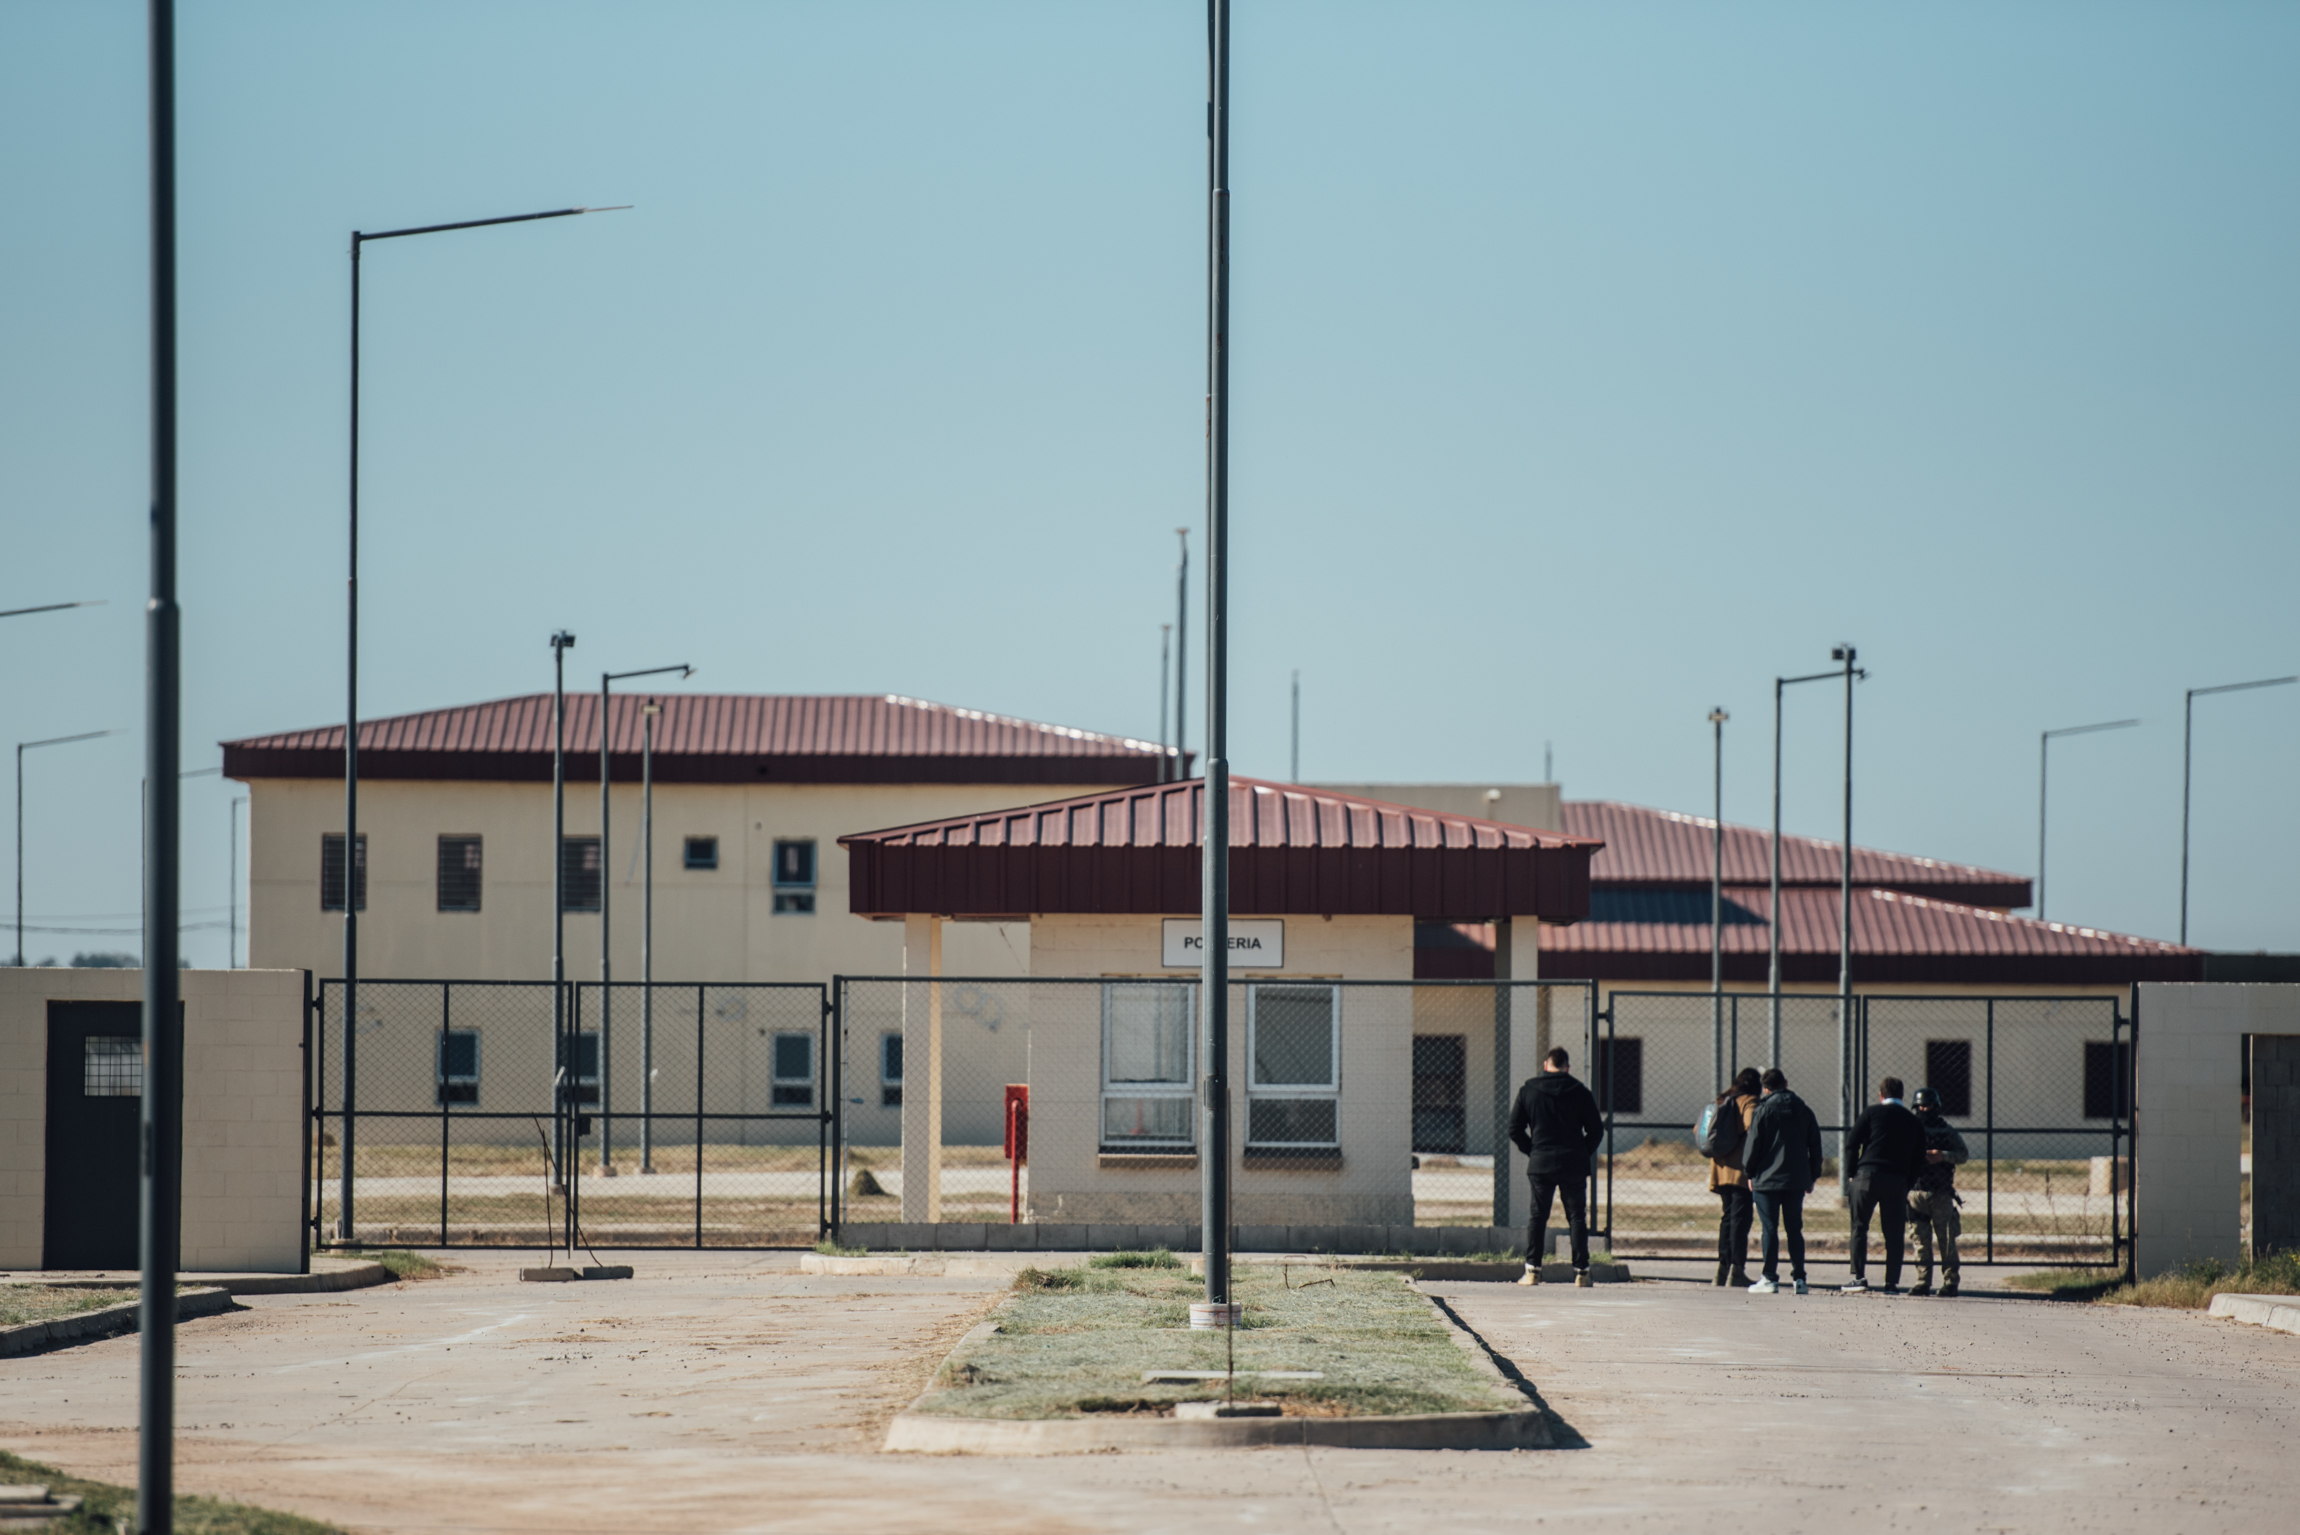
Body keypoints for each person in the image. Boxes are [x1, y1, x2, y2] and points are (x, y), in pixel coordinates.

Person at [1508, 1045, 1606, 1287]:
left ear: (1546, 1065)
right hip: (1573, 1162)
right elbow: (1596, 1129)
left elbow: (1514, 1129)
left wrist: (1534, 1150)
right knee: (1576, 1218)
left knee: (1538, 1216)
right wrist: (1582, 1152)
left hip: (1541, 1163)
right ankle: (1582, 1272)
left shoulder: (1528, 1090)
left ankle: (1532, 1270)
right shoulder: (1580, 1092)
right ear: (1567, 1068)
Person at [1738, 1067, 1822, 1294]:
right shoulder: (1804, 1110)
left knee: (1769, 1228)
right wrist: (1813, 1175)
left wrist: (1750, 1172)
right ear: (1786, 1082)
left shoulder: (1763, 1110)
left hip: (1767, 1179)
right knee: (1794, 1228)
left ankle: (1769, 1277)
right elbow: (1815, 1145)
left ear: (1766, 1089)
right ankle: (1800, 1279)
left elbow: (1753, 1145)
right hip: (1796, 1179)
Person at [1842, 1075, 1927, 1293]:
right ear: (1902, 1095)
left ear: (1881, 1095)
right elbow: (1919, 1157)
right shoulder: (1912, 1120)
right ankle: (1891, 1283)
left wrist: (1852, 1174)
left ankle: (1859, 1277)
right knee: (1893, 1233)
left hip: (1867, 1175)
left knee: (1859, 1227)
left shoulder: (1871, 1113)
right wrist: (1906, 1182)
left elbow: (1852, 1143)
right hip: (1896, 1179)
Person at [1908, 1086, 1970, 1297]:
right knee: (1920, 1240)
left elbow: (1962, 1154)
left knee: (1946, 1238)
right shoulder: (1909, 1129)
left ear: (1936, 1107)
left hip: (1941, 1192)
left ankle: (1950, 1281)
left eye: (1929, 1106)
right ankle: (1922, 1281)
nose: (1925, 1109)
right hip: (1916, 1191)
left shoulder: (1946, 1131)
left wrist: (1942, 1155)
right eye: (1922, 1106)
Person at [1707, 1067, 1763, 1288]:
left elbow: (1698, 1128)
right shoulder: (1749, 1101)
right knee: (1741, 1221)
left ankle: (1721, 1271)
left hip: (1720, 1168)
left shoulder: (1722, 1099)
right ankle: (1736, 1271)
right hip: (1740, 1170)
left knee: (1727, 1218)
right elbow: (1753, 1126)